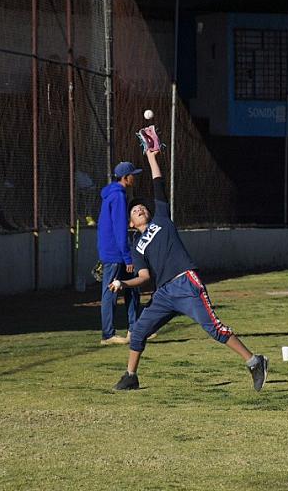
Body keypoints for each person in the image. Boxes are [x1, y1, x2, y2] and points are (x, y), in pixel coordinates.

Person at [107, 149, 268, 392]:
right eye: (134, 210)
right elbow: (144, 277)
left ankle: (255, 362)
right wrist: (123, 283)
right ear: (131, 223)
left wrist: (151, 157)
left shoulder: (162, 219)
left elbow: (158, 183)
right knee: (138, 330)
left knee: (213, 328)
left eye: (141, 207)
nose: (139, 209)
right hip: (163, 294)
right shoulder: (137, 247)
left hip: (185, 283)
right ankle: (131, 375)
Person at [96, 161, 142, 345]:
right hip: (115, 253)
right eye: (133, 175)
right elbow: (119, 228)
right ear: (125, 178)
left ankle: (135, 328)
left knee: (132, 287)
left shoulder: (114, 194)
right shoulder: (118, 197)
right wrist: (126, 255)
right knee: (111, 292)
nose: (135, 178)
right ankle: (108, 334)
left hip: (114, 251)